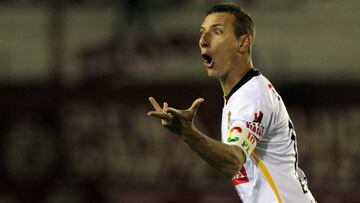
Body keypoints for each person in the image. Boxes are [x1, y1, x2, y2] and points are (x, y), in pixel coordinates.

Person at [147, 3, 316, 203]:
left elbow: (233, 161)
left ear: (243, 43)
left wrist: (188, 133)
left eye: (217, 31)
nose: (203, 40)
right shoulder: (238, 96)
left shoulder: (252, 96)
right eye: (202, 32)